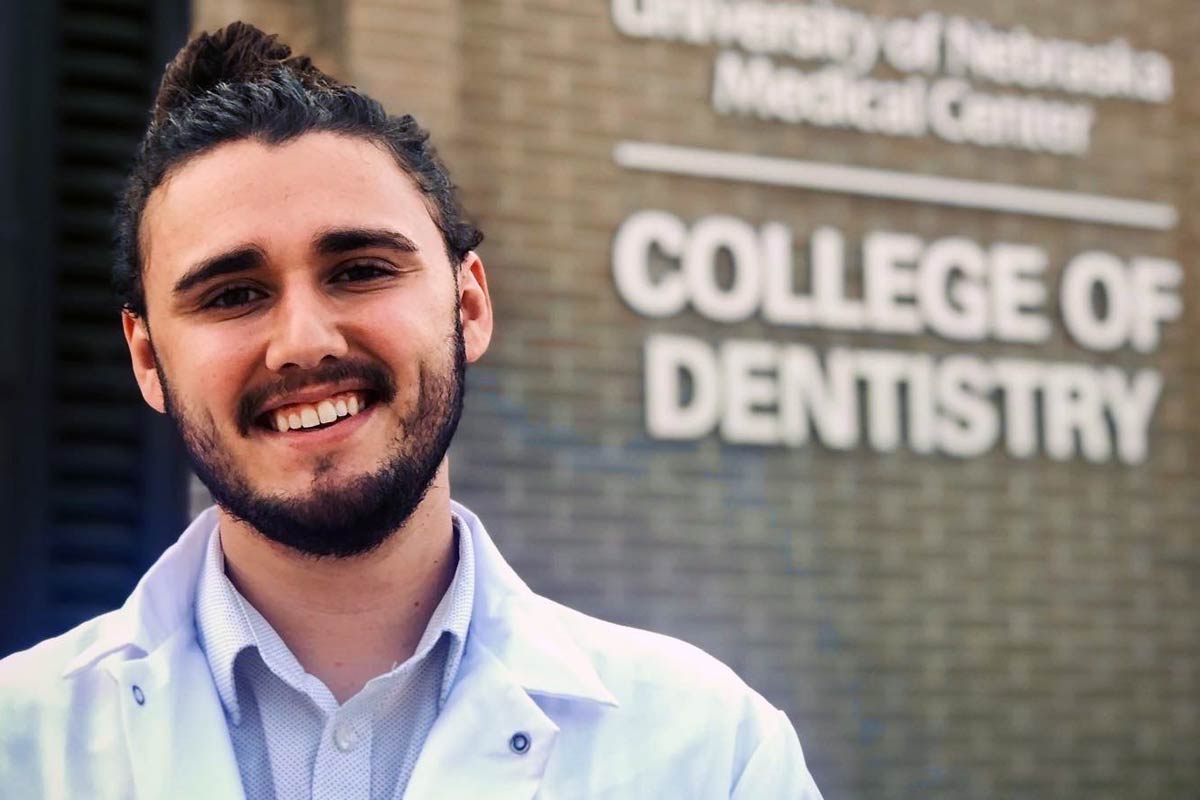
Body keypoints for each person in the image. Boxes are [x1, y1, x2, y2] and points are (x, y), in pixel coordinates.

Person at [0, 22, 823, 799]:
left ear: (469, 305)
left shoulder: (709, 750)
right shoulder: (21, 740)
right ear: (147, 357)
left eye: (360, 270)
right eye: (234, 294)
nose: (303, 343)